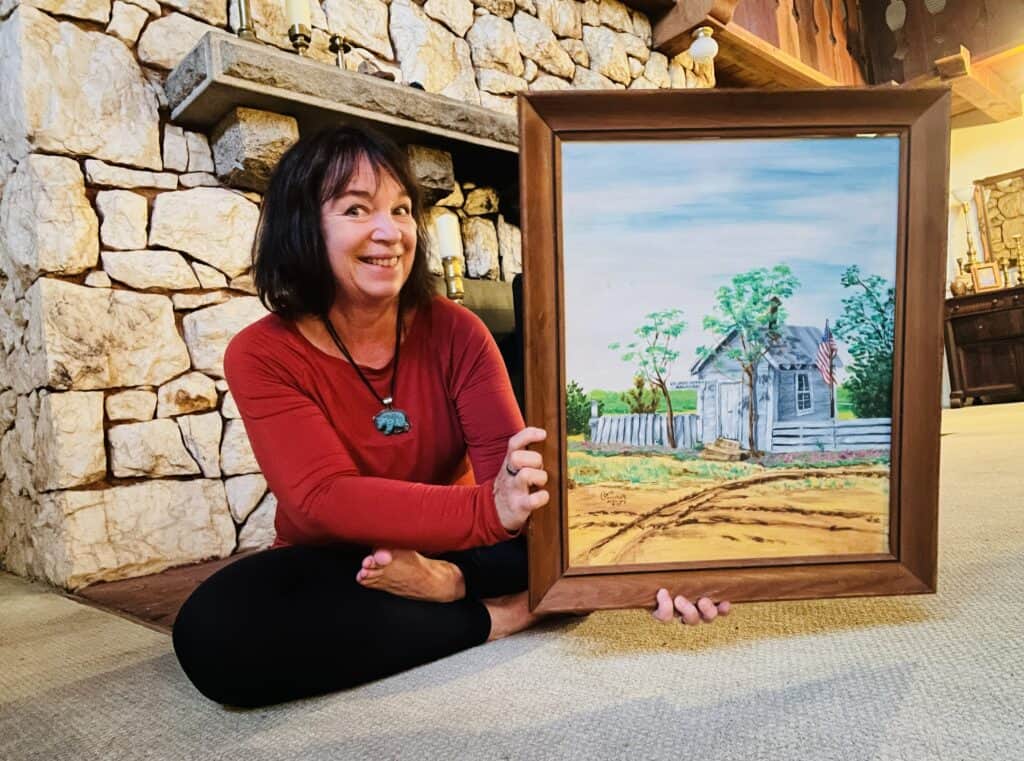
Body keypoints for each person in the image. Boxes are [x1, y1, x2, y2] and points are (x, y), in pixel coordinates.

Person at [171, 125, 730, 708]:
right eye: (357, 209)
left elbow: (512, 484)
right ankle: (505, 615)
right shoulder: (261, 353)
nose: (390, 232)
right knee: (215, 634)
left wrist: (654, 569)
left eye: (402, 209)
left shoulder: (458, 330)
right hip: (342, 559)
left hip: (466, 549)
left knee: (559, 540)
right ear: (303, 226)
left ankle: (452, 592)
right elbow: (323, 497)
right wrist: (490, 510)